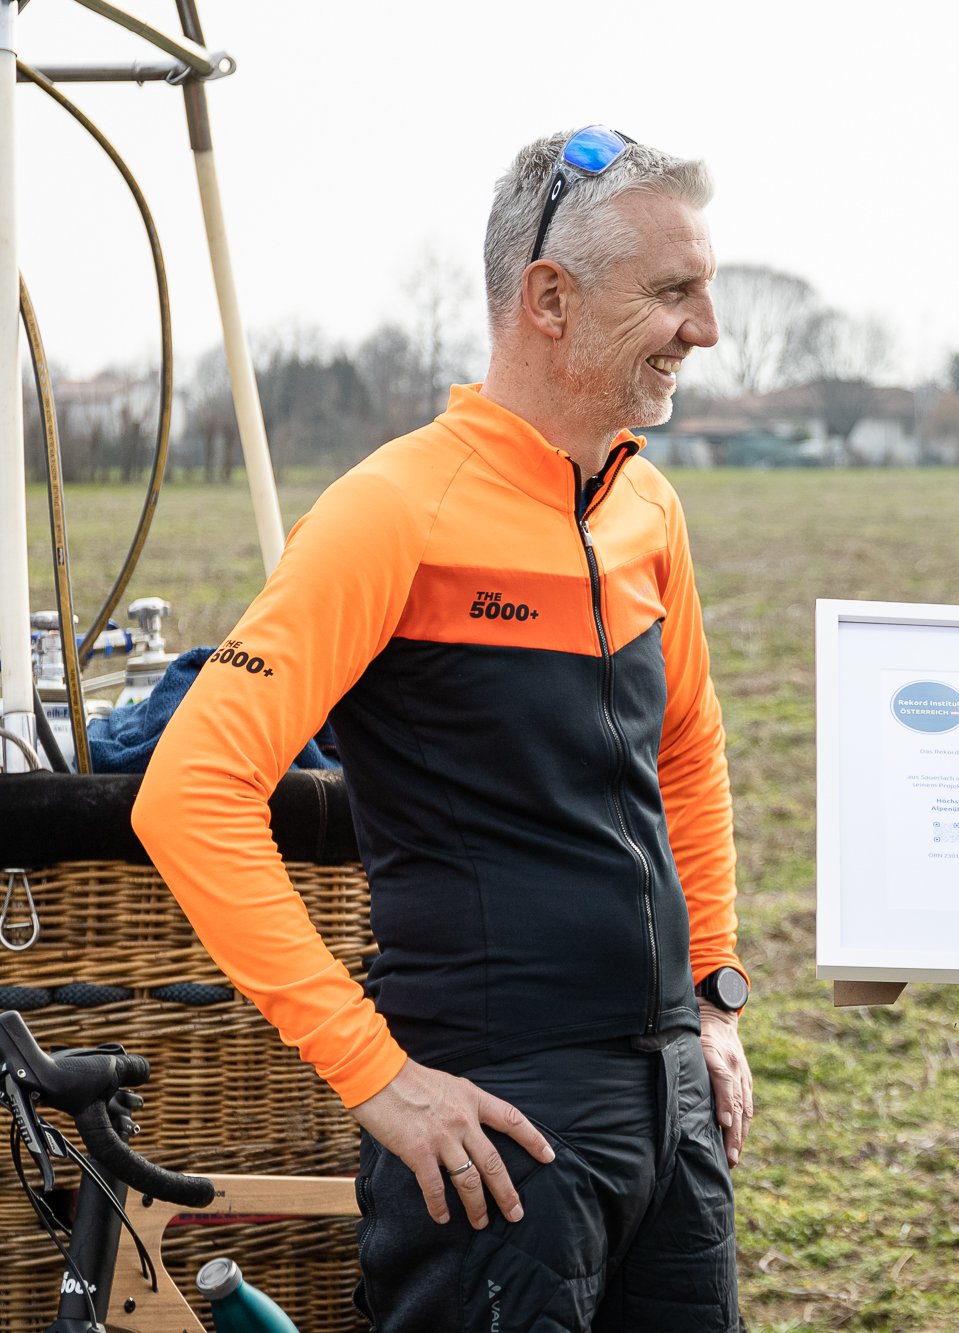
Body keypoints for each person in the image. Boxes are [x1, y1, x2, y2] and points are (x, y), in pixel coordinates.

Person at [134, 126, 751, 1331]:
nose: (706, 330)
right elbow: (189, 792)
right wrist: (378, 1081)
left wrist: (713, 1002)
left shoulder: (646, 507)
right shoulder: (391, 510)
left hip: (669, 1102)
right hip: (494, 1120)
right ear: (551, 299)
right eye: (674, 292)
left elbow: (688, 750)